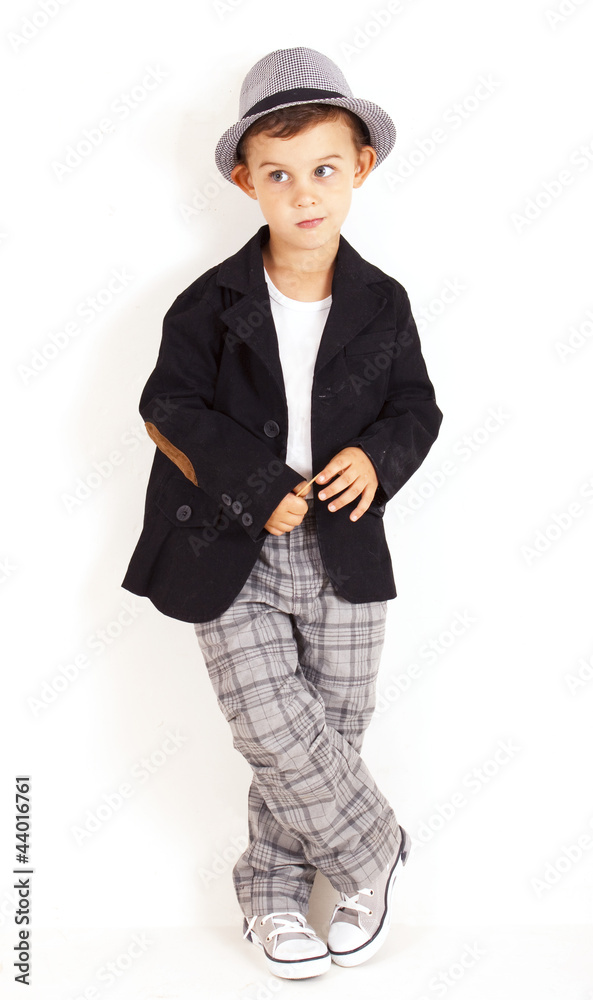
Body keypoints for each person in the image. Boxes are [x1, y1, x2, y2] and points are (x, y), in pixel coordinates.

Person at [121, 46, 443, 980]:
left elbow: (416, 408)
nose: (304, 193)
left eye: (324, 170)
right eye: (279, 175)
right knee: (267, 724)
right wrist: (257, 487)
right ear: (245, 181)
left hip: (346, 550)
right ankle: (375, 849)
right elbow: (167, 408)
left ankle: (273, 895)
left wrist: (374, 459)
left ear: (360, 167)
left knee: (325, 733)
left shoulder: (384, 303)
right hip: (228, 549)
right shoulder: (208, 303)